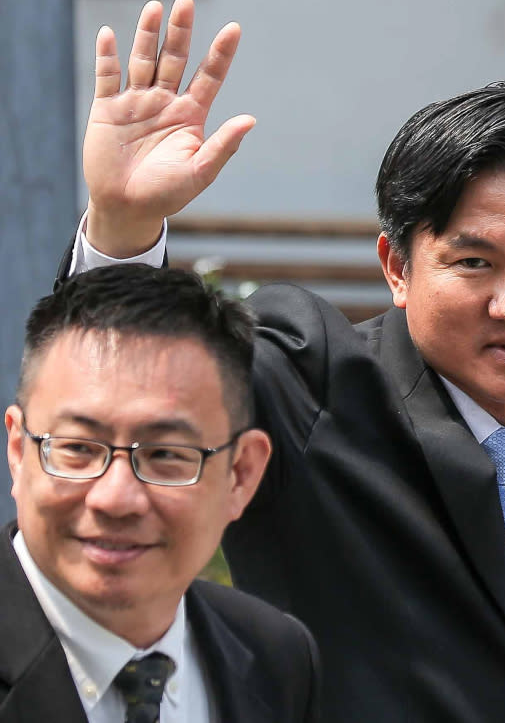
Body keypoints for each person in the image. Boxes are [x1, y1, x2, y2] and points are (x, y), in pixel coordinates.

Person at [61, 0, 505, 720]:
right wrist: (124, 228)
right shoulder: (310, 388)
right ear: (396, 267)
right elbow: (135, 392)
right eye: (474, 262)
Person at [1, 265, 321, 722]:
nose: (115, 498)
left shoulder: (277, 658)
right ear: (18, 450)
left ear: (241, 474)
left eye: (166, 454)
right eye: (77, 449)